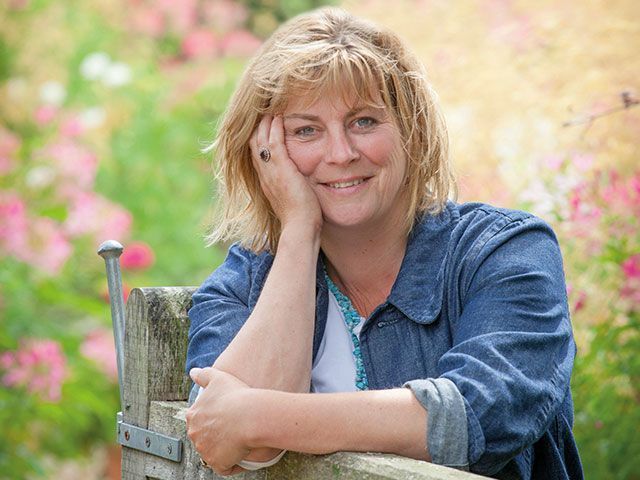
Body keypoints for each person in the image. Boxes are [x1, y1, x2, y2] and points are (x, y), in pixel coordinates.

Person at [184, 7, 583, 479]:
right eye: (306, 130)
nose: (341, 153)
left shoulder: (503, 252)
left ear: (411, 130)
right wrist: (298, 232)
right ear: (264, 149)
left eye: (365, 122)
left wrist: (256, 416)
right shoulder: (243, 282)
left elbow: (474, 417)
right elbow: (232, 447)